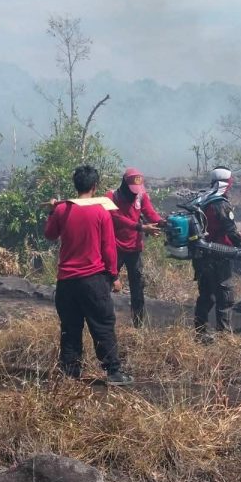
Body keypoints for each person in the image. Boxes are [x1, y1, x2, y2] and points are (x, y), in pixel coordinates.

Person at [44, 164, 133, 385]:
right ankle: (113, 372)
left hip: (66, 283)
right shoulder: (101, 212)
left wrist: (52, 211)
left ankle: (70, 374)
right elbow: (108, 248)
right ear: (95, 186)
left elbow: (50, 234)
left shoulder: (62, 210)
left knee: (70, 328)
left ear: (76, 185)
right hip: (93, 281)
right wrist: (114, 276)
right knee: (102, 325)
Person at [192, 166, 241, 343]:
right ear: (227, 183)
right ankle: (224, 338)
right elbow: (229, 230)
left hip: (201, 256)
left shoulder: (202, 198)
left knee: (206, 296)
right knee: (225, 297)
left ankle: (200, 334)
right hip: (219, 255)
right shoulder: (221, 203)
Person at [106, 167, 165, 327]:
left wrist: (161, 222)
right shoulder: (111, 196)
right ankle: (104, 321)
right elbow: (116, 217)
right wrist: (141, 227)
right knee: (106, 284)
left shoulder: (141, 195)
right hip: (115, 248)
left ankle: (138, 324)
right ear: (124, 184)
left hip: (134, 249)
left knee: (138, 288)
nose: (135, 193)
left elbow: (150, 212)